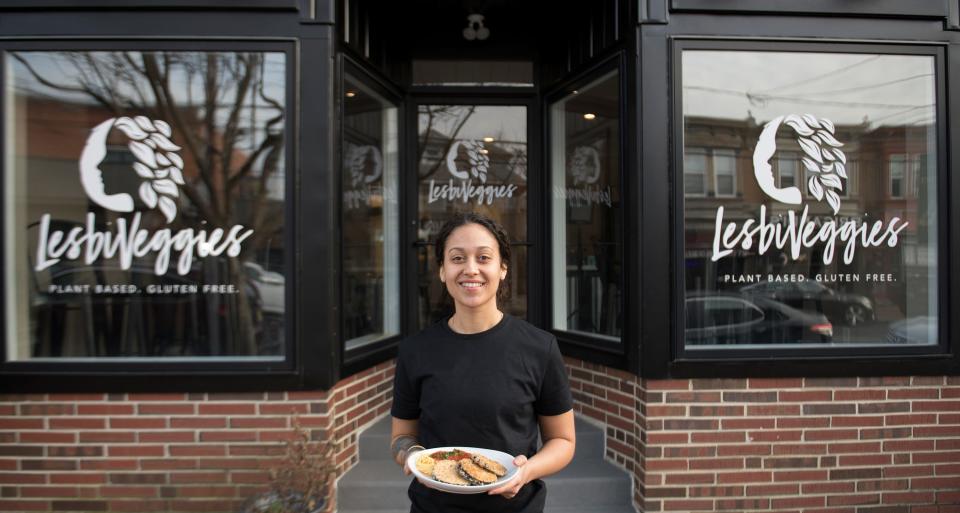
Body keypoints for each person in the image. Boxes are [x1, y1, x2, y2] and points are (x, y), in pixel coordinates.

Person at [390, 212, 576, 513]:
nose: (471, 269)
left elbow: (563, 440)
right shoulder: (415, 350)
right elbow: (401, 436)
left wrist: (525, 471)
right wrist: (415, 457)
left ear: (503, 268)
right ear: (442, 270)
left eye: (484, 257)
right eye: (457, 258)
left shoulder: (539, 348)